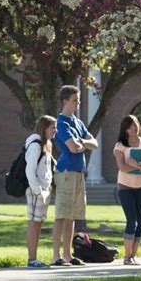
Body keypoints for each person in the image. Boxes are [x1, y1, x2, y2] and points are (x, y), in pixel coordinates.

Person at [50, 85, 98, 266]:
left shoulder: (78, 122)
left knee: (72, 216)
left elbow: (94, 143)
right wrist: (83, 144)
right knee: (62, 215)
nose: (78, 103)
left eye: (78, 100)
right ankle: (56, 256)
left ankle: (68, 255)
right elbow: (72, 147)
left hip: (78, 173)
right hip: (66, 173)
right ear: (65, 102)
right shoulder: (60, 123)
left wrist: (83, 142)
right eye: (75, 100)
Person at [113, 115, 141, 265]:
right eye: (130, 126)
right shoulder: (120, 146)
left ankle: (133, 256)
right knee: (132, 221)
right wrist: (140, 164)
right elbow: (122, 167)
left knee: (140, 222)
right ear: (125, 129)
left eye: (135, 124)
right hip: (125, 187)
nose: (134, 128)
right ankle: (126, 256)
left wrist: (135, 164)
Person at [25, 114, 57, 268]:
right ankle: (32, 259)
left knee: (39, 223)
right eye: (53, 128)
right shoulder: (35, 145)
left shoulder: (47, 144)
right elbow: (29, 170)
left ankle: (34, 258)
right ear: (45, 128)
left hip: (45, 189)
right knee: (34, 223)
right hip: (36, 190)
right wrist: (37, 191)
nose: (55, 130)